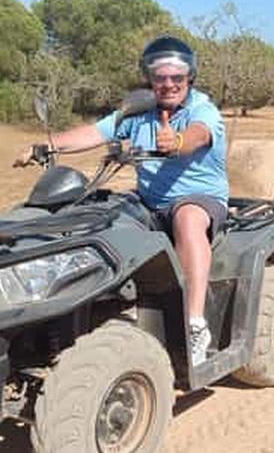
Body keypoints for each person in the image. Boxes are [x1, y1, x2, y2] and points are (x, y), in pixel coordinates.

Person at [15, 36, 228, 366]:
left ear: (190, 77)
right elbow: (95, 133)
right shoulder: (140, 111)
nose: (168, 84)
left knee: (187, 220)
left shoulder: (203, 110)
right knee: (96, 217)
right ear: (150, 78)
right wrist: (45, 145)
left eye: (177, 77)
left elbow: (199, 134)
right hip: (149, 201)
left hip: (198, 197)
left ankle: (195, 324)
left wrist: (179, 140)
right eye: (160, 77)